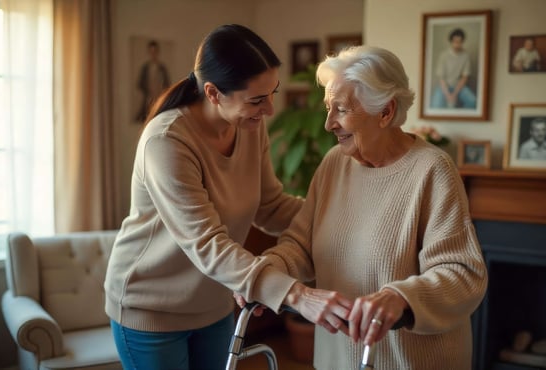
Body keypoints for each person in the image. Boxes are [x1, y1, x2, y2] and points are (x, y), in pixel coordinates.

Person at [104, 24, 352, 370]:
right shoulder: (166, 142)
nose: (268, 109)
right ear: (213, 92)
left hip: (214, 304)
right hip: (151, 310)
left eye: (271, 94)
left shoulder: (248, 124)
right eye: (256, 99)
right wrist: (298, 295)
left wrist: (343, 221)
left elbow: (271, 205)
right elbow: (207, 243)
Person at [239, 45, 488, 369]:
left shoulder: (432, 170)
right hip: (339, 361)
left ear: (385, 111)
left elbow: (463, 274)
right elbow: (301, 245)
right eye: (329, 108)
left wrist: (401, 297)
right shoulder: (333, 165)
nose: (329, 123)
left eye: (340, 109)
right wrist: (267, 272)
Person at [430, 28, 477, 109]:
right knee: (435, 105)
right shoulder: (444, 56)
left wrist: (454, 94)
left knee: (472, 101)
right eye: (455, 42)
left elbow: (464, 77)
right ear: (451, 42)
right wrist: (448, 95)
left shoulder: (465, 56)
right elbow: (441, 78)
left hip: (459, 86)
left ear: (462, 42)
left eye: (459, 42)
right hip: (444, 86)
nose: (457, 45)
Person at [136, 40, 171, 122]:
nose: (153, 54)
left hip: (159, 96)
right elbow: (140, 83)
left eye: (155, 51)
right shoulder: (145, 68)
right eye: (151, 52)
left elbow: (167, 83)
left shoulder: (162, 68)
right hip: (148, 97)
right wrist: (148, 91)